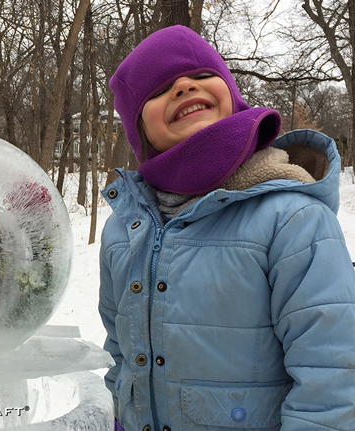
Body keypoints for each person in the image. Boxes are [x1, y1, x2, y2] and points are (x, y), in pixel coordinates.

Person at [99, 25, 355, 431]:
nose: (184, 84)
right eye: (161, 88)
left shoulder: (290, 218)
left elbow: (333, 372)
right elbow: (121, 351)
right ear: (139, 128)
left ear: (231, 95)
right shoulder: (123, 230)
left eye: (202, 76)